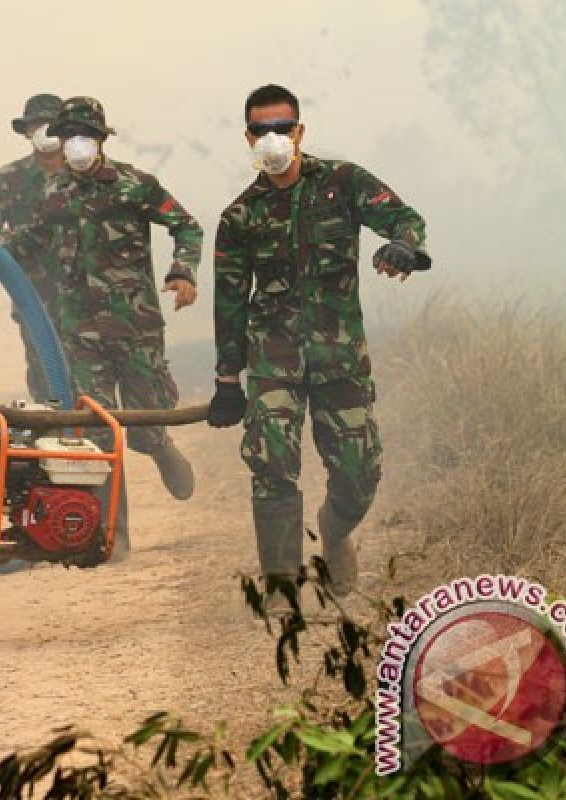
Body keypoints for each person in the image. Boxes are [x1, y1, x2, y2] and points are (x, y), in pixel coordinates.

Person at [207, 84, 431, 601]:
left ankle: (334, 531)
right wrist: (227, 379)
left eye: (281, 128)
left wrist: (404, 246)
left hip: (340, 359)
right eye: (261, 130)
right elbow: (231, 301)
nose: (272, 138)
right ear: (247, 137)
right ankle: (284, 592)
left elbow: (404, 218)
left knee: (360, 473)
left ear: (300, 131)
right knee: (271, 463)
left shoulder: (343, 183)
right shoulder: (240, 217)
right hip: (274, 359)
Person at [1, 96, 202, 557]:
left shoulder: (136, 185)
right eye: (68, 136)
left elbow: (185, 226)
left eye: (85, 136)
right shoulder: (54, 194)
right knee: (97, 432)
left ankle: (161, 448)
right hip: (79, 331)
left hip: (135, 325)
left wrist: (183, 270)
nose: (76, 146)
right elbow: (32, 238)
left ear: (101, 140)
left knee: (146, 413)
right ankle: (115, 534)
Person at [0, 93, 66, 402]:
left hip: (89, 297)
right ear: (27, 132)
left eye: (51, 125)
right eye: (36, 126)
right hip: (34, 295)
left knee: (92, 381)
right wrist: (0, 252)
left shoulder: (88, 176)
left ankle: (99, 446)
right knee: (46, 376)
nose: (44, 132)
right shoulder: (7, 178)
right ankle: (54, 442)